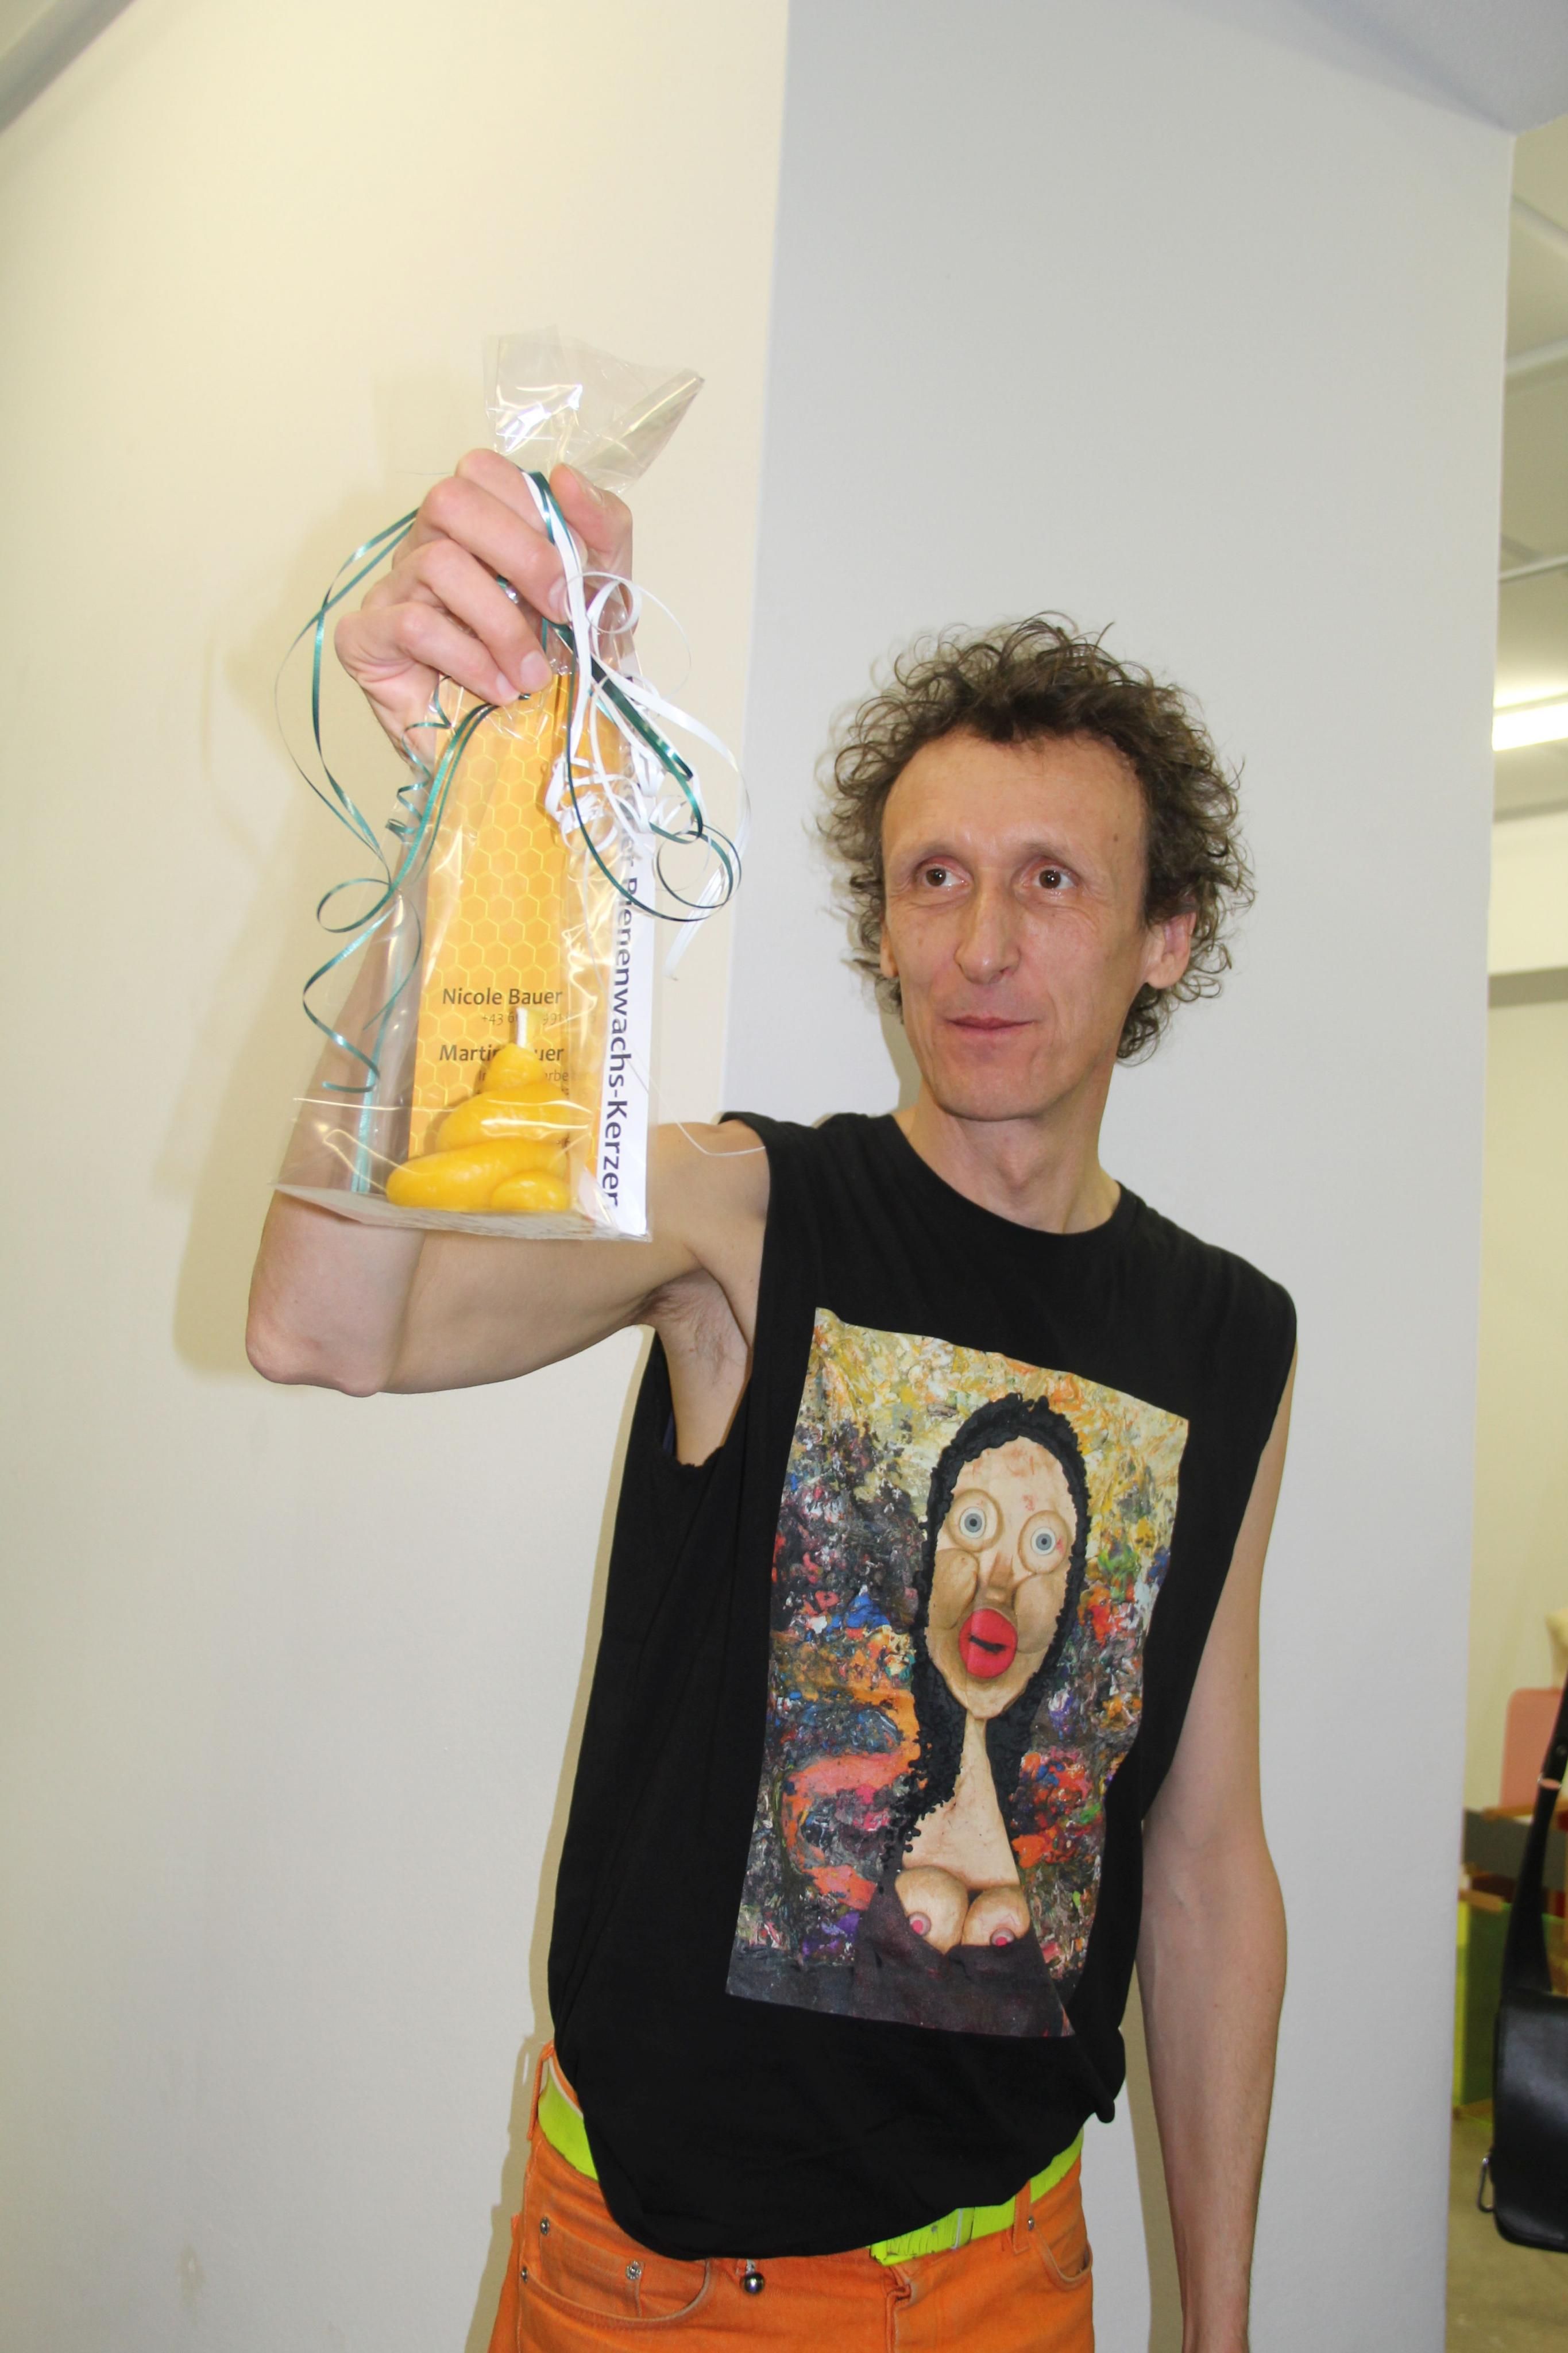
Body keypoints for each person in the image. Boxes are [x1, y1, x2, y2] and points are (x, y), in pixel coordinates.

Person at [248, 450, 1296, 2353]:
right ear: (880, 925)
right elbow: (326, 1324)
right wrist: (448, 834)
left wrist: (1215, 2325)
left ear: (1167, 935)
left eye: (1051, 881)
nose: (979, 945)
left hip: (1012, 2277)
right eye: (932, 880)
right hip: (660, 2290)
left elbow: (1205, 1848)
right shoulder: (745, 1213)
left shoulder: (1224, 1335)